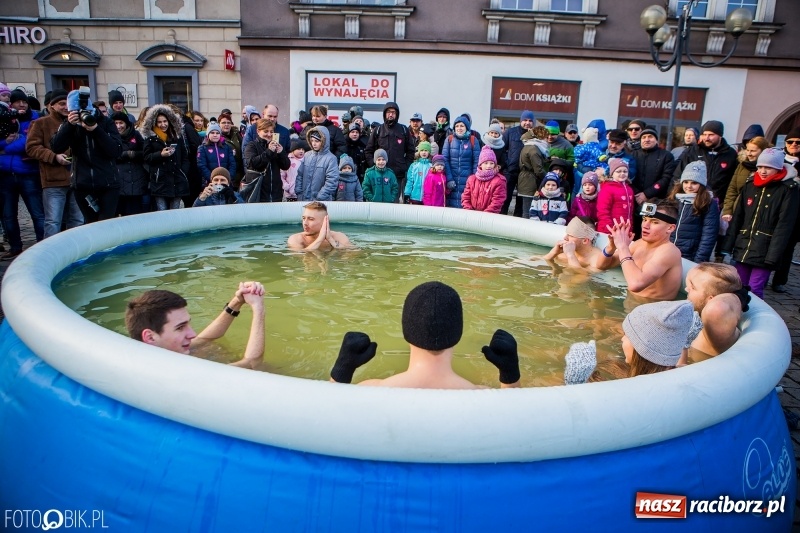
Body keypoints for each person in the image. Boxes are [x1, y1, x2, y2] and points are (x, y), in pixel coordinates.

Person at [329, 281, 521, 389]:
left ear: (406, 329)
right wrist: (510, 375)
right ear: (458, 332)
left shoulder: (372, 390)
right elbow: (514, 416)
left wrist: (342, 369)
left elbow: (328, 414)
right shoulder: (481, 396)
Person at [125, 281, 266, 369]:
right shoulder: (179, 372)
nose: (192, 334)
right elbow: (252, 363)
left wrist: (237, 301)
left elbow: (205, 339)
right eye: (180, 327)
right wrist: (258, 309)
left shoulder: (160, 351)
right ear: (150, 337)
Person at [721, 148, 800, 299]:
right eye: (760, 167)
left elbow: (784, 225)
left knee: (755, 289)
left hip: (766, 248)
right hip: (744, 244)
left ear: (778, 168)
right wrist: (728, 244)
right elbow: (738, 216)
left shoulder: (788, 189)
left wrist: (773, 255)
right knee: (739, 286)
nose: (763, 171)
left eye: (768, 167)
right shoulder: (750, 185)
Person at [564, 299, 694, 384]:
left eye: (627, 335)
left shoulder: (636, 390)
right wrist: (683, 344)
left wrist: (575, 382)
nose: (622, 338)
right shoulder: (676, 372)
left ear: (642, 350)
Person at [51, 88, 123, 224]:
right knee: (90, 222)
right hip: (82, 184)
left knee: (106, 222)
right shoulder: (70, 125)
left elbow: (116, 151)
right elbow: (56, 147)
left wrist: (96, 129)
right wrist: (69, 125)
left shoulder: (106, 122)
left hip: (108, 183)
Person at [25, 88, 84, 239]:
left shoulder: (78, 122)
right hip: (53, 181)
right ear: (52, 106)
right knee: (53, 222)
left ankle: (74, 252)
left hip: (77, 180)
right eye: (61, 104)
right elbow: (32, 148)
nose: (65, 107)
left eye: (67, 103)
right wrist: (54, 156)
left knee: (77, 220)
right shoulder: (40, 123)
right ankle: (49, 255)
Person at [597, 201, 683, 302]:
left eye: (654, 222)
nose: (645, 225)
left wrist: (623, 247)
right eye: (644, 219)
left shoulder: (669, 251)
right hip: (631, 305)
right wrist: (611, 247)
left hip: (651, 313)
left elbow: (636, 284)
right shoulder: (640, 243)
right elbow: (601, 266)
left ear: (670, 228)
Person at [0, 88, 44, 258]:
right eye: (18, 101)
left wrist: (4, 149)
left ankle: (42, 246)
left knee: (38, 213)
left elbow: (28, 144)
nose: (22, 104)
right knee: (8, 215)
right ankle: (15, 247)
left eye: (24, 101)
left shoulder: (34, 119)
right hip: (5, 173)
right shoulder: (5, 119)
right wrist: (5, 142)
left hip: (28, 172)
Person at [681, 262, 748, 364]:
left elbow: (717, 308)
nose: (686, 289)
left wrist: (739, 297)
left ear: (711, 299)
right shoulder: (697, 317)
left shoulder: (715, 323)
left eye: (693, 287)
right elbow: (732, 269)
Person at [673, 120, 738, 210]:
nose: (706, 138)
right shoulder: (692, 151)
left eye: (711, 135)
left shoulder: (730, 154)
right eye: (704, 134)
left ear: (720, 135)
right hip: (690, 203)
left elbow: (732, 183)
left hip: (717, 205)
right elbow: (677, 176)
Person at [139, 105, 189, 211]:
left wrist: (183, 171)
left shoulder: (177, 136)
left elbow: (185, 156)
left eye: (165, 121)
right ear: (154, 123)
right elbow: (146, 157)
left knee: (175, 212)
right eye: (159, 122)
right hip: (159, 181)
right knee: (162, 212)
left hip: (177, 179)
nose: (163, 124)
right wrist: (160, 155)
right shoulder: (150, 138)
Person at [668, 160, 720, 263]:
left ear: (701, 184)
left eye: (694, 183)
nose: (689, 186)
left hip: (690, 255)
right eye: (686, 182)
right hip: (669, 251)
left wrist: (699, 260)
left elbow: (709, 235)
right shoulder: (675, 199)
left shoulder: (707, 203)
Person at [364, 101, 415, 201]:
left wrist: (405, 166)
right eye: (388, 112)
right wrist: (373, 165)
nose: (391, 114)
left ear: (397, 114)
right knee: (377, 201)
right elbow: (369, 150)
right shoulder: (378, 130)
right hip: (378, 174)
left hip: (397, 174)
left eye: (393, 112)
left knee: (393, 202)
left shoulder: (403, 130)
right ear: (384, 114)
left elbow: (410, 151)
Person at [771, 127, 800, 293]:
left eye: (798, 142)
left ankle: (780, 280)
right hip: (776, 209)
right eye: (790, 141)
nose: (794, 144)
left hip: (796, 214)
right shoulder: (778, 160)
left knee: (788, 248)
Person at [722, 136, 770, 225]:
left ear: (763, 151)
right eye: (747, 150)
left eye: (753, 151)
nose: (749, 154)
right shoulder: (742, 166)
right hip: (738, 209)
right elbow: (732, 189)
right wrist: (728, 211)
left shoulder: (768, 169)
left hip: (756, 213)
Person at [243, 118, 291, 203]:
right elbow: (252, 163)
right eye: (265, 131)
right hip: (258, 191)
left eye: (271, 132)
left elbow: (286, 166)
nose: (269, 134)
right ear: (258, 131)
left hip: (276, 193)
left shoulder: (275, 145)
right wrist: (269, 151)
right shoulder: (252, 145)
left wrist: (281, 152)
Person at [111, 111, 149, 216]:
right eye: (115, 123)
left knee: (135, 214)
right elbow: (108, 154)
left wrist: (133, 154)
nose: (118, 126)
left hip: (136, 181)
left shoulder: (135, 134)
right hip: (118, 180)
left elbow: (145, 152)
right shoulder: (109, 136)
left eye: (121, 123)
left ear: (126, 123)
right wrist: (125, 155)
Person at [443, 114, 481, 208]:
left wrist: (473, 179)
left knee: (465, 204)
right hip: (452, 178)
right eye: (457, 126)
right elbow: (445, 159)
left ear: (467, 127)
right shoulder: (449, 139)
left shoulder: (473, 140)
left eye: (462, 126)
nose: (459, 128)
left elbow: (477, 161)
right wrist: (449, 178)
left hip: (467, 179)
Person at [501, 110, 535, 216]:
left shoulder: (535, 136)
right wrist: (507, 163)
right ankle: (501, 221)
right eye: (525, 120)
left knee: (521, 202)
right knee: (505, 198)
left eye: (530, 120)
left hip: (525, 174)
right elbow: (502, 149)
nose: (527, 123)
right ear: (521, 121)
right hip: (510, 171)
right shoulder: (510, 132)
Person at [294, 126, 339, 202]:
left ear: (324, 141)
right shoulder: (307, 155)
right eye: (312, 140)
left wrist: (319, 197)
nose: (314, 143)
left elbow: (332, 181)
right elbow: (300, 175)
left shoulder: (331, 158)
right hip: (304, 199)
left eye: (317, 141)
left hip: (321, 202)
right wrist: (299, 193)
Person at [287, 201, 353, 251]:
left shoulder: (338, 237)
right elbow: (300, 256)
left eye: (311, 219)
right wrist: (319, 239)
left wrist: (331, 239)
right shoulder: (296, 239)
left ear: (325, 221)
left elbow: (353, 253)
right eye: (304, 218)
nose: (305, 223)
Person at [461, 146, 506, 213]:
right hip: (471, 215)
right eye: (486, 163)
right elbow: (465, 197)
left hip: (489, 217)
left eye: (492, 163)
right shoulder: (471, 179)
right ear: (480, 164)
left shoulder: (499, 181)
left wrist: (485, 215)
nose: (489, 166)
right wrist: (469, 211)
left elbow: (497, 201)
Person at [517, 126, 549, 219]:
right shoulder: (534, 149)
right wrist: (549, 177)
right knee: (528, 211)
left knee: (527, 210)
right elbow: (538, 170)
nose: (547, 140)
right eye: (546, 137)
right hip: (530, 181)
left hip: (525, 179)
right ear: (541, 136)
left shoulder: (528, 145)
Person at [595, 158, 634, 235]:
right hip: (610, 230)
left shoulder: (629, 189)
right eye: (618, 171)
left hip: (624, 230)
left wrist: (630, 228)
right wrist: (609, 229)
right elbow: (603, 211)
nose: (622, 173)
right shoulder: (607, 188)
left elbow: (630, 212)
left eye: (625, 171)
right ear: (612, 173)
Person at [197, 122, 236, 188]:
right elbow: (201, 165)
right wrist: (212, 178)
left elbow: (232, 164)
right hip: (210, 182)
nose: (215, 135)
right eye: (212, 133)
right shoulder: (202, 148)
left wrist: (229, 177)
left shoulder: (227, 147)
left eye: (217, 133)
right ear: (208, 134)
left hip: (225, 182)